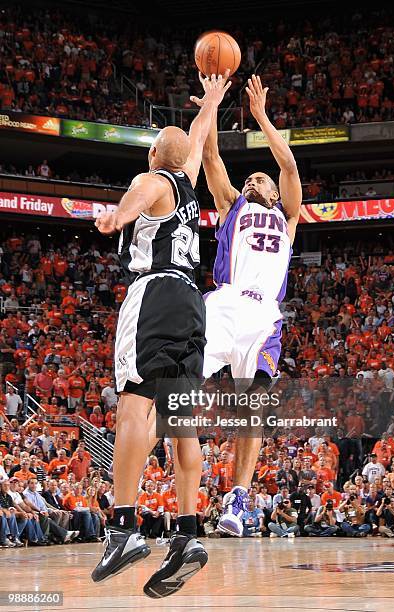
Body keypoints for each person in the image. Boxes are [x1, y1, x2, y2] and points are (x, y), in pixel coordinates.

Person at [91, 74, 231, 598]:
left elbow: (140, 194)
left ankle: (123, 527)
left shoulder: (153, 180)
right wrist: (213, 101)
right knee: (180, 423)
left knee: (134, 408)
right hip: (194, 306)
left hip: (154, 296)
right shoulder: (188, 186)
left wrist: (115, 216)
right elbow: (194, 139)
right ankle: (187, 534)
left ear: (153, 155)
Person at [197, 74, 302, 537]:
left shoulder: (289, 216)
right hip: (224, 304)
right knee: (175, 388)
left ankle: (237, 501)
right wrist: (214, 105)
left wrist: (261, 116)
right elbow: (210, 155)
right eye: (250, 177)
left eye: (260, 176)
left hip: (264, 319)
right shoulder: (231, 204)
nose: (253, 178)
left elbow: (291, 167)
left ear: (275, 193)